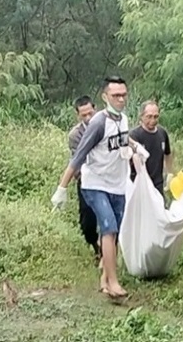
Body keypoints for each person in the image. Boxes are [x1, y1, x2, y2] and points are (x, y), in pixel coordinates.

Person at [50, 76, 150, 299]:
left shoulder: (123, 119)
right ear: (105, 97)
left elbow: (122, 141)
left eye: (124, 94)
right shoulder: (98, 122)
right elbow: (79, 156)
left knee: (114, 233)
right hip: (95, 184)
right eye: (116, 95)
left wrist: (135, 148)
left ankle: (105, 278)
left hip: (117, 183)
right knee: (109, 228)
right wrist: (62, 188)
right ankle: (114, 282)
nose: (121, 99)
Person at [67, 95, 101, 264]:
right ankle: (95, 246)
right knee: (87, 221)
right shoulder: (75, 135)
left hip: (106, 177)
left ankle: (108, 253)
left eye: (90, 113)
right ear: (78, 115)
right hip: (86, 179)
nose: (88, 118)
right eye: (84, 115)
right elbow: (78, 160)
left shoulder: (105, 125)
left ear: (95, 109)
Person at [129, 100, 174, 196]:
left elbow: (168, 153)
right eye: (149, 117)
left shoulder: (162, 133)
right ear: (141, 116)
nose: (153, 120)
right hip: (139, 185)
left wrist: (169, 172)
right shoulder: (134, 136)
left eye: (155, 117)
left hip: (157, 184)